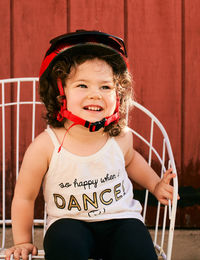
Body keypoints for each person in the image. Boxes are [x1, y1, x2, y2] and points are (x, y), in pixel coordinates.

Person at [6, 30, 177, 260]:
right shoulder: (45, 146)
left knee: (137, 246)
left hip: (121, 220)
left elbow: (132, 161)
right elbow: (24, 197)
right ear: (60, 93)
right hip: (70, 223)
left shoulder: (120, 137)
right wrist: (23, 241)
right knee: (63, 243)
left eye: (105, 87)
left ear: (118, 95)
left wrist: (156, 184)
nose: (96, 94)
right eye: (82, 86)